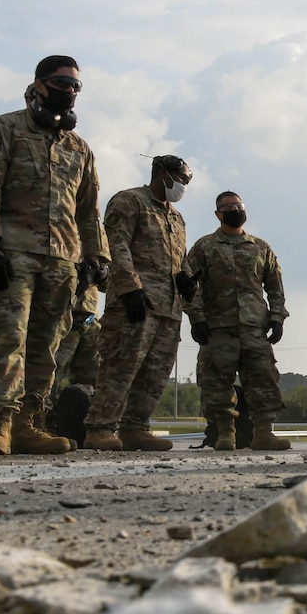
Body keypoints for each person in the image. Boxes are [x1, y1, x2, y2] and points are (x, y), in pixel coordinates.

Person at [0, 54, 106, 456]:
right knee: (7, 338)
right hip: (13, 252)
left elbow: (88, 210)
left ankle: (28, 422)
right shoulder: (3, 129)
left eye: (76, 86)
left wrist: (97, 257)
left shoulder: (79, 148)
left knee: (45, 346)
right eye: (62, 83)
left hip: (62, 260)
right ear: (39, 84)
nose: (70, 91)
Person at [82, 156, 193, 451]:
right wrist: (130, 287)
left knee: (155, 372)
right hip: (136, 302)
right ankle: (100, 428)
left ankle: (135, 427)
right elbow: (116, 245)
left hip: (169, 307)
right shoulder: (130, 201)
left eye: (187, 180)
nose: (183, 184)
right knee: (121, 365)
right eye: (181, 178)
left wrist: (187, 279)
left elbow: (179, 260)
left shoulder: (176, 217)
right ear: (161, 173)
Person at [186, 191, 289, 451]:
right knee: (217, 384)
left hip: (255, 328)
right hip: (217, 329)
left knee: (263, 381)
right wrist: (196, 317)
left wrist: (277, 317)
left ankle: (264, 434)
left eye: (237, 205)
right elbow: (189, 287)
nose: (234, 209)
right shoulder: (204, 247)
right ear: (218, 214)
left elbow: (275, 286)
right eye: (228, 206)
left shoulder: (261, 247)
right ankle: (225, 434)